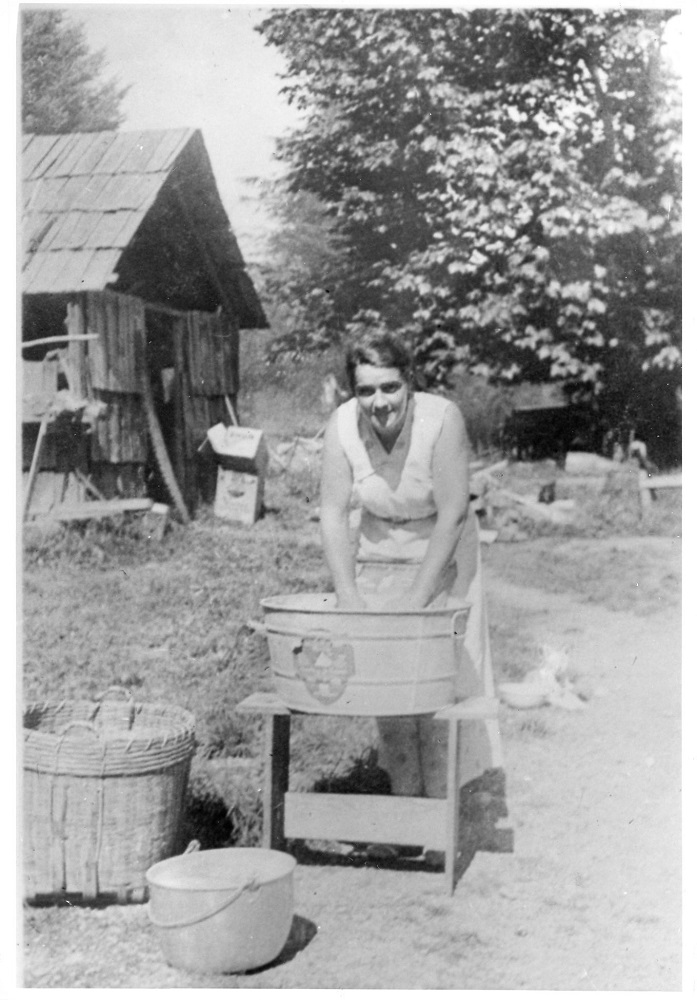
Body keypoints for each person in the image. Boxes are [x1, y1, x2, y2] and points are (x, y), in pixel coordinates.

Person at [320, 330, 502, 806]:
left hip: (443, 545)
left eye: (389, 388)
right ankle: (404, 798)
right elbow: (333, 513)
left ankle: (449, 803)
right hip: (380, 547)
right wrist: (348, 595)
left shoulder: (442, 420)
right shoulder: (341, 427)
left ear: (410, 384)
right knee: (391, 678)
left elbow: (453, 513)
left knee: (443, 677)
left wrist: (417, 602)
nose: (378, 402)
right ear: (351, 392)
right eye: (365, 391)